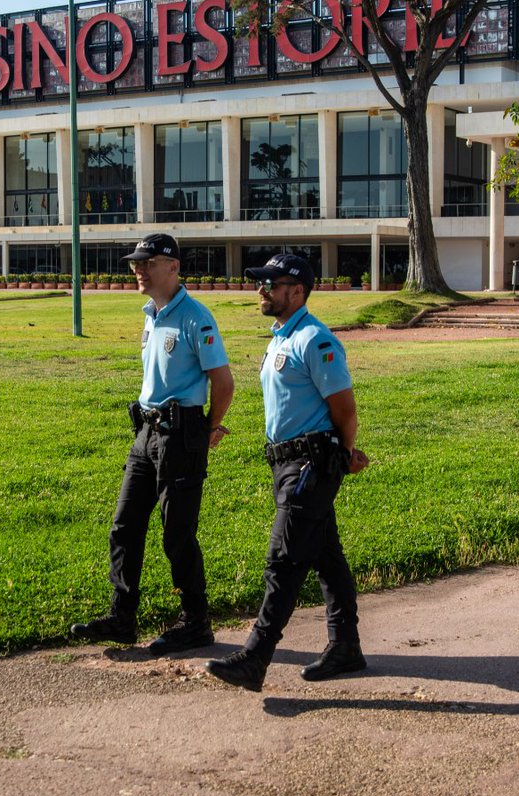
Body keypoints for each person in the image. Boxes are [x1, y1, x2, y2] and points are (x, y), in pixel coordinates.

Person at [207, 254, 369, 692]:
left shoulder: (315, 340)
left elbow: (345, 410)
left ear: (296, 291)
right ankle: (346, 647)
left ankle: (255, 658)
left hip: (311, 464)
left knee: (284, 559)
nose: (261, 290)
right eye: (260, 283)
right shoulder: (281, 337)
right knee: (325, 557)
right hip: (286, 462)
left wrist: (346, 454)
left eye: (270, 284)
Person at [71, 233, 234, 655]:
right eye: (135, 263)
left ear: (173, 267)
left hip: (181, 435)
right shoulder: (151, 315)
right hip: (145, 433)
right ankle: (122, 618)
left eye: (147, 262)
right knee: (124, 526)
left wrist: (207, 428)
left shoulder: (195, 317)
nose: (138, 270)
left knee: (177, 533)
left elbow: (224, 383)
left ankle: (196, 622)